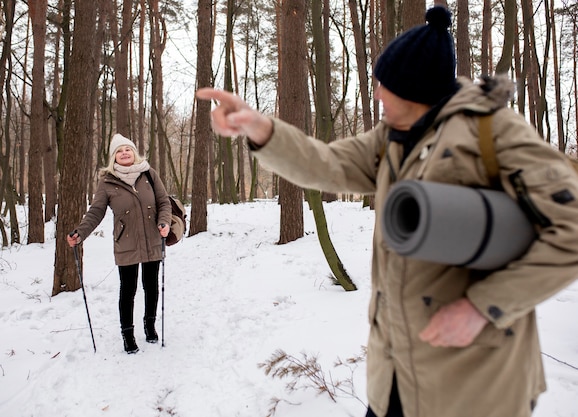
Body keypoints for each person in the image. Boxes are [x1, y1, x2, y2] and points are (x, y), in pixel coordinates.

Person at [196, 6, 578, 417]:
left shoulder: (493, 131)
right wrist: (260, 129)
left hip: (474, 383)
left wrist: (482, 307)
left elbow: (571, 230)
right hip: (396, 375)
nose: (376, 93)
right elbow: (326, 164)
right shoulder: (391, 138)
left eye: (384, 86)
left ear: (414, 91)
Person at [67, 133, 172, 354]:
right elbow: (95, 212)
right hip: (126, 243)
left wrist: (164, 223)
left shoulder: (149, 175)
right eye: (119, 151)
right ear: (114, 157)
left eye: (128, 149)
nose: (125, 153)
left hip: (153, 239)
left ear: (134, 153)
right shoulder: (107, 182)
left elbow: (163, 202)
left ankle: (150, 325)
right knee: (128, 289)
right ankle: (128, 334)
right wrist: (80, 233)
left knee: (151, 286)